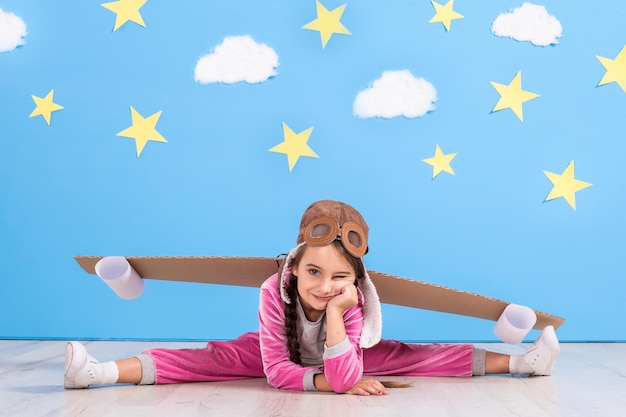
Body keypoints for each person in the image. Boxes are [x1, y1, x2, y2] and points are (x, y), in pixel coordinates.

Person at [64, 200, 560, 395]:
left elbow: (346, 377)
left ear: (356, 279)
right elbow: (279, 372)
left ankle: (525, 364)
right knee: (204, 360)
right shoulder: (271, 291)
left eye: (339, 277)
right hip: (276, 351)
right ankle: (97, 373)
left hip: (352, 350)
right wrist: (335, 384)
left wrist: (343, 318)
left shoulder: (353, 297)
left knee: (421, 357)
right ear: (294, 266)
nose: (325, 285)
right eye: (314, 271)